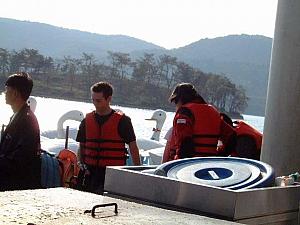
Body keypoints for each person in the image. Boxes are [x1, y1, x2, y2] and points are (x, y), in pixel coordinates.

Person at [76, 81, 141, 194]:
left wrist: (138, 171)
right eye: (93, 100)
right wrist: (80, 163)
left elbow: (133, 147)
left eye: (99, 100)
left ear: (109, 98)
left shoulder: (123, 121)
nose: (95, 103)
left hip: (112, 174)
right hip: (89, 173)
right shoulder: (87, 120)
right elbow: (81, 145)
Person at [165, 82, 236, 161]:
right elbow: (232, 137)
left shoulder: (184, 113)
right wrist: (220, 155)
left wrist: (180, 165)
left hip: (189, 166)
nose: (176, 106)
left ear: (180, 99)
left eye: (175, 102)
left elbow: (185, 143)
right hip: (210, 164)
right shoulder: (213, 111)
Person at [0, 72, 41, 190]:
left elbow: (21, 158)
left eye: (6, 90)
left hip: (18, 185)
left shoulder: (27, 121)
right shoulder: (18, 116)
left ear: (15, 93)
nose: (4, 93)